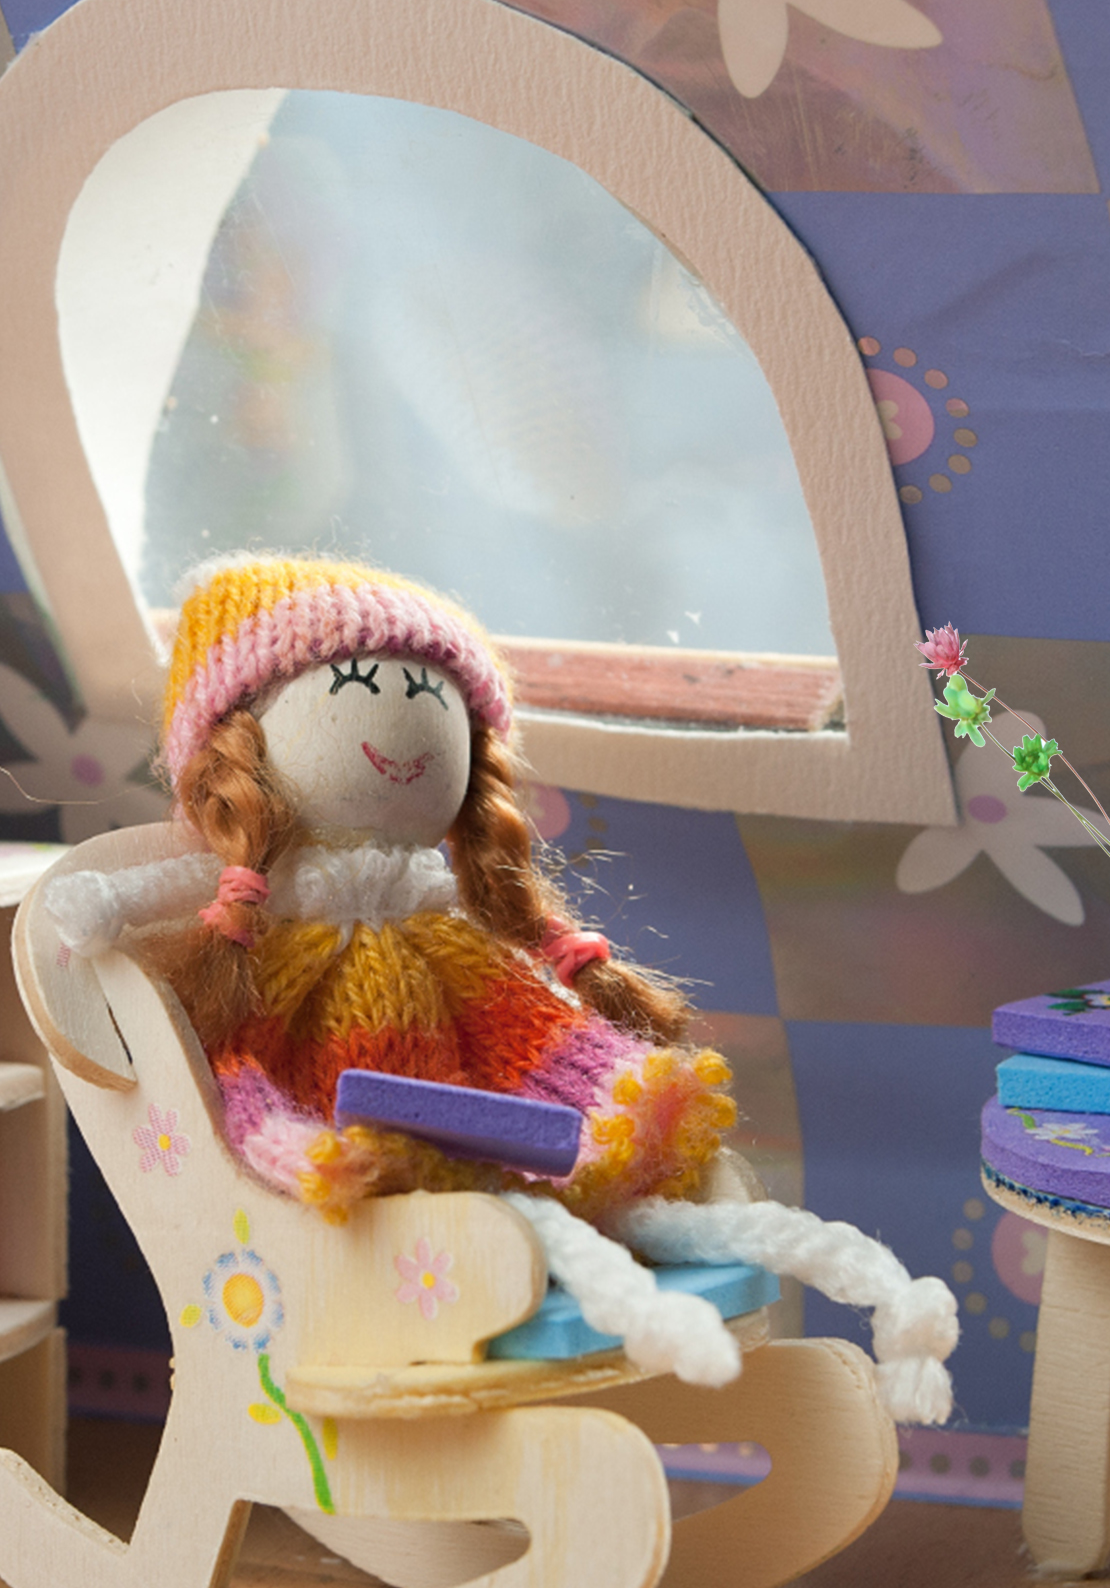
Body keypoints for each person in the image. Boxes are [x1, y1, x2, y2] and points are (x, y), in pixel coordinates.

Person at [48, 555, 956, 1420]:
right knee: (499, 1198)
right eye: (361, 688)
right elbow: (162, 911)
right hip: (324, 1082)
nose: (408, 733)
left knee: (576, 1132)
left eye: (430, 699)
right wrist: (100, 902)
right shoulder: (263, 907)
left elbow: (525, 1019)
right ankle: (628, 1292)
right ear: (236, 748)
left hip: (470, 1049)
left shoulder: (440, 906)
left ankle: (867, 1290)